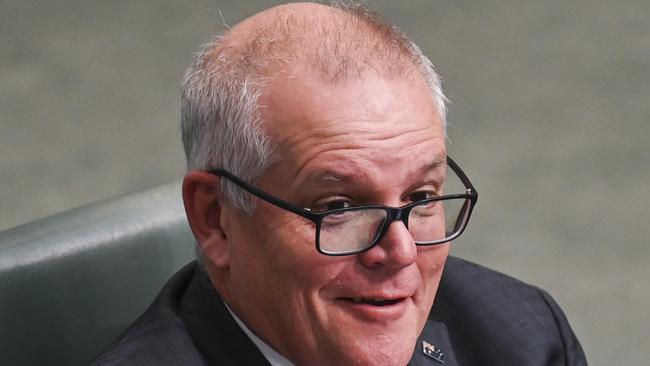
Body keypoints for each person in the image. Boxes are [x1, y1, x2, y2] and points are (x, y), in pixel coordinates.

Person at [92, 2, 586, 365]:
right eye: (340, 206)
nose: (400, 252)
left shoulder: (523, 338)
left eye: (420, 197)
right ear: (216, 219)